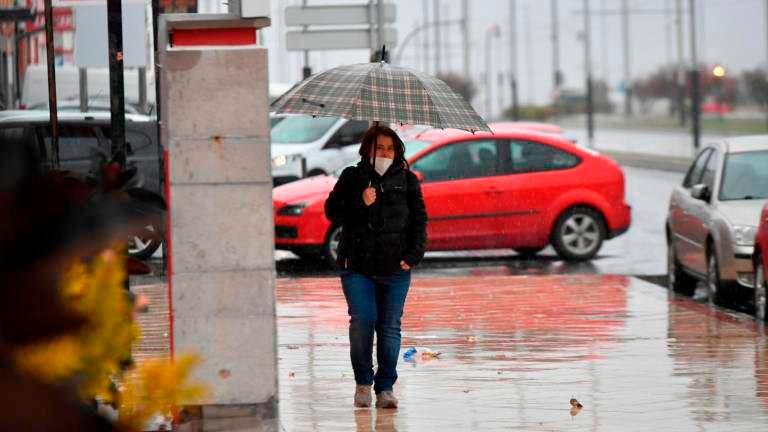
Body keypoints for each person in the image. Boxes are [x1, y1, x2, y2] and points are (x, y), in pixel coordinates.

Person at [324, 124, 428, 409]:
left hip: (395, 269)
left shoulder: (407, 180)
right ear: (367, 149)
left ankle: (385, 388)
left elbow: (419, 221)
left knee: (389, 327)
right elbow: (331, 211)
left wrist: (413, 255)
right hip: (357, 266)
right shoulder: (352, 176)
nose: (384, 153)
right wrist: (360, 201)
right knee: (363, 322)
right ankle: (362, 381)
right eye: (379, 147)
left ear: (397, 152)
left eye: (389, 148)